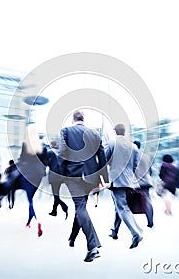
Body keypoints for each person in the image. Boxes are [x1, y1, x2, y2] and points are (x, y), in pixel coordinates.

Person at [59, 110, 108, 262]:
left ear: (73, 120)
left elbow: (61, 153)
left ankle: (92, 246)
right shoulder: (94, 134)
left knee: (80, 208)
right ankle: (72, 237)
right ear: (83, 120)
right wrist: (103, 178)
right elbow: (102, 156)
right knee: (81, 208)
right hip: (90, 176)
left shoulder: (66, 131)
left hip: (72, 175)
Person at [106, 124, 143, 249]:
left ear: (114, 131)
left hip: (117, 181)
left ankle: (136, 233)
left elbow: (104, 160)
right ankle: (114, 231)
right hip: (129, 181)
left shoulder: (111, 143)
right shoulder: (133, 146)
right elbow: (135, 165)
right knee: (120, 207)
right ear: (124, 132)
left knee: (122, 208)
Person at [15, 124, 47, 237]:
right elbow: (45, 162)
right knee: (31, 198)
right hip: (37, 175)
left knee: (30, 200)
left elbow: (21, 159)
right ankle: (28, 222)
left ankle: (37, 220)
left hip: (27, 173)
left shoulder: (25, 144)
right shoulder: (41, 146)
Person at [47, 140, 68, 219]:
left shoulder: (50, 152)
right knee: (56, 194)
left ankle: (64, 207)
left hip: (53, 176)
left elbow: (46, 163)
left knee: (55, 195)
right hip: (60, 176)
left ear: (51, 145)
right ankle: (54, 211)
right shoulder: (60, 152)